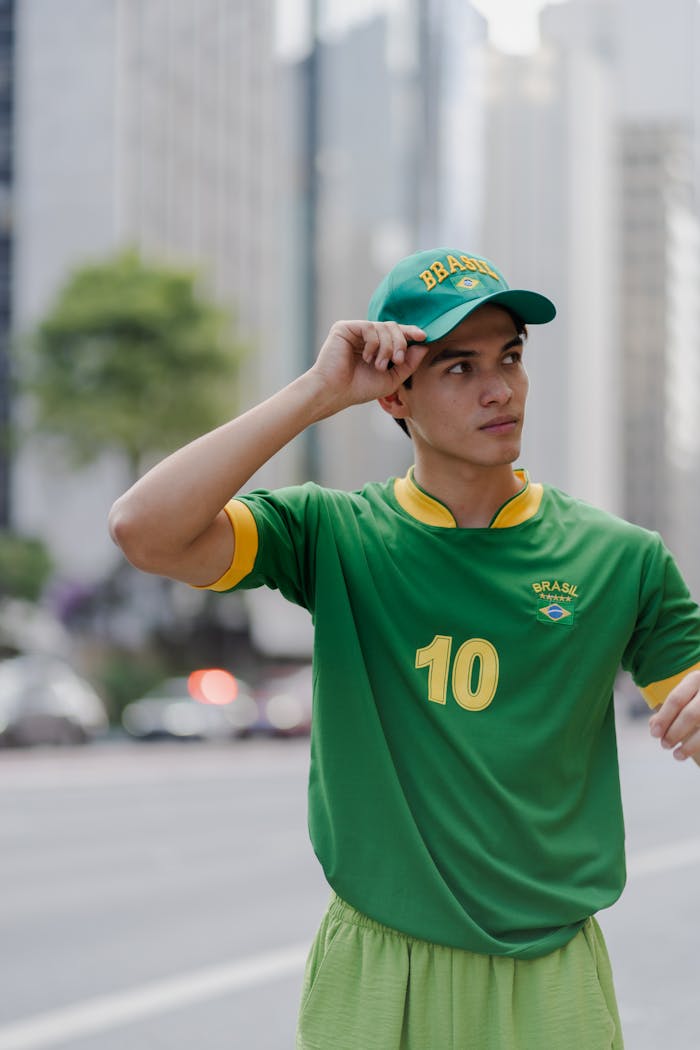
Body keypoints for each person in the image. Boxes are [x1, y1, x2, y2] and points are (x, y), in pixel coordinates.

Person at [109, 247, 700, 1050]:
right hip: (376, 966)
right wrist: (317, 393)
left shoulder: (620, 558)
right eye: (459, 367)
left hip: (549, 969)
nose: (501, 389)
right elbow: (144, 530)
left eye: (512, 358)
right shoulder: (334, 534)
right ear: (395, 394)